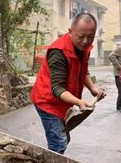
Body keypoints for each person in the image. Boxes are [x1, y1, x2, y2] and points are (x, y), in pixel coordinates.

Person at [31, 13, 105, 154]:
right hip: (47, 101)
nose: (85, 41)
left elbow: (83, 70)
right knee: (58, 142)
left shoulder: (83, 48)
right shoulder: (59, 52)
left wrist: (92, 88)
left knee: (63, 138)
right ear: (70, 32)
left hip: (63, 102)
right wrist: (79, 102)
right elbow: (57, 88)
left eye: (90, 37)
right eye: (81, 36)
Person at [108, 38, 121, 112]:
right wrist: (119, 66)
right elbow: (111, 56)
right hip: (118, 74)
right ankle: (120, 106)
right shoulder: (119, 48)